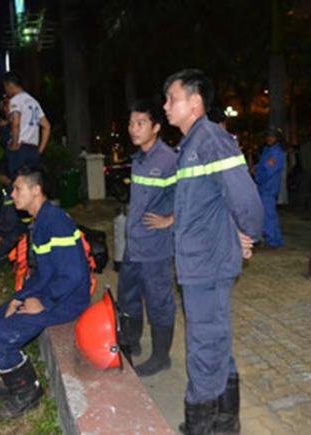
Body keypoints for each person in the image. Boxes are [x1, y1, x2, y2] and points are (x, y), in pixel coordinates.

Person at [163, 69, 263, 435]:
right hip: (199, 261)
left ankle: (202, 425)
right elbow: (208, 204)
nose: (166, 106)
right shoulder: (191, 146)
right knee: (213, 339)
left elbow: (244, 196)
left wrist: (248, 233)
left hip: (207, 264)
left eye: (171, 98)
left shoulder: (211, 140)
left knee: (204, 345)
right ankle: (224, 420)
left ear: (194, 102)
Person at [0, 167, 90, 420]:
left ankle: (28, 392)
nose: (12, 193)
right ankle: (16, 381)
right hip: (55, 292)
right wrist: (20, 297)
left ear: (36, 190)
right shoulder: (41, 220)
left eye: (18, 188)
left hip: (67, 300)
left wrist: (42, 301)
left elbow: (73, 275)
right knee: (0, 316)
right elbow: (42, 273)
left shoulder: (55, 222)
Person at [117, 99, 177, 377]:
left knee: (158, 301)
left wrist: (170, 220)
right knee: (128, 296)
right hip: (134, 245)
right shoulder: (138, 158)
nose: (133, 128)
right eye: (130, 123)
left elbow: (191, 198)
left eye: (140, 123)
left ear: (156, 127)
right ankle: (132, 342)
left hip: (155, 248)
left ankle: (161, 356)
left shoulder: (168, 160)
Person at [2, 71, 51, 177]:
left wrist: (14, 144)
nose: (5, 91)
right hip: (33, 150)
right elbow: (47, 126)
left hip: (20, 149)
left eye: (5, 87)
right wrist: (39, 150)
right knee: (31, 182)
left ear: (10, 85)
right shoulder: (34, 102)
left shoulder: (16, 100)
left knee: (17, 183)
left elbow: (16, 124)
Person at [255, 127, 285, 247]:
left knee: (268, 214)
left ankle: (272, 240)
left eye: (272, 136)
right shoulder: (268, 150)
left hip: (268, 186)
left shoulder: (276, 152)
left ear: (277, 138)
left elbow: (268, 170)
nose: (269, 138)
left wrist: (257, 171)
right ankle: (272, 239)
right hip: (264, 186)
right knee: (266, 213)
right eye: (268, 136)